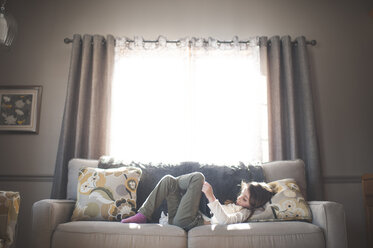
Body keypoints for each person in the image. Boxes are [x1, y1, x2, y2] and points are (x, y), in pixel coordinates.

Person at [121, 172, 274, 229]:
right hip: (178, 218)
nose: (240, 198)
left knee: (198, 177)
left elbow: (224, 221)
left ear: (252, 205)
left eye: (245, 199)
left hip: (190, 221)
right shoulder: (234, 203)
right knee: (168, 180)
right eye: (243, 193)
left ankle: (178, 184)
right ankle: (142, 215)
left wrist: (211, 196)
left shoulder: (243, 213)